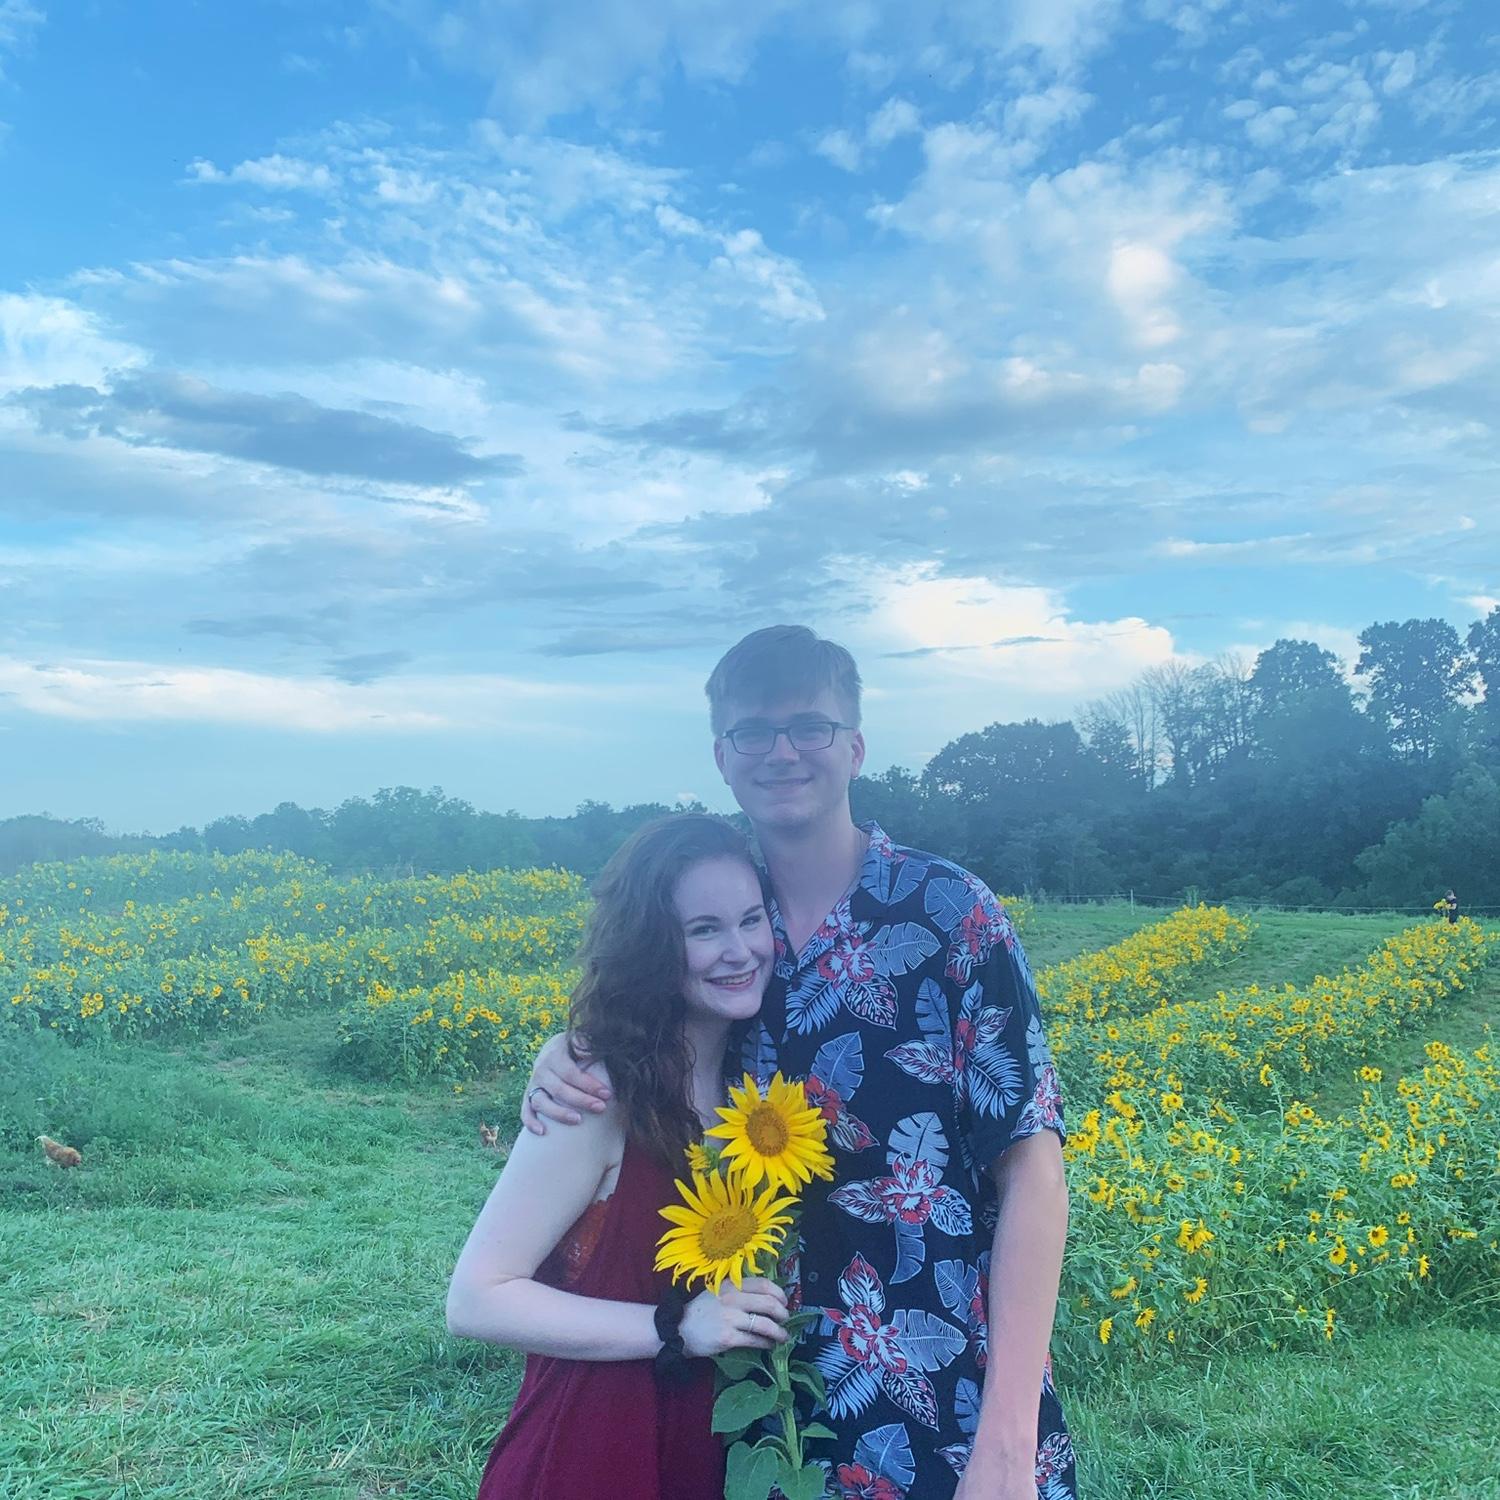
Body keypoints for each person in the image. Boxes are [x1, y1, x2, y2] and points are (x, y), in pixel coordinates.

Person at [525, 626, 1075, 1500]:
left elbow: (1034, 1176)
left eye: (809, 726)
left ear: (853, 747)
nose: (782, 751)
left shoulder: (949, 914)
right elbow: (633, 1033)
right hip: (766, 1406)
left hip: (951, 1393)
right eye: (754, 731)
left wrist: (1006, 1442)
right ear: (722, 755)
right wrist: (564, 1051)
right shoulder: (722, 924)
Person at [446, 813, 792, 1500]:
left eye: (751, 919)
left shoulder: (758, 1093)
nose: (741, 950)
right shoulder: (594, 1095)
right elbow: (477, 1299)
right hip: (593, 1450)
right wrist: (676, 1327)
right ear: (650, 946)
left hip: (705, 1451)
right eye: (703, 930)